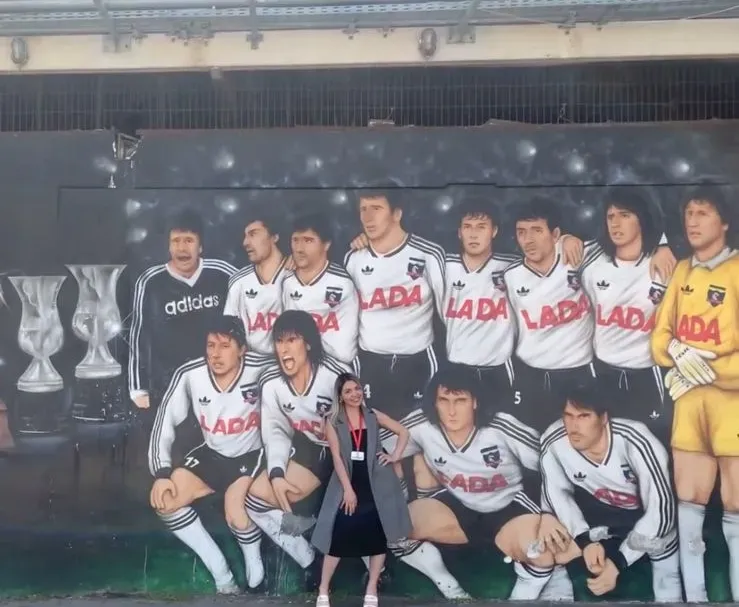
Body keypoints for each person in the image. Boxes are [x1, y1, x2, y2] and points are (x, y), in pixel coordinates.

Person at [395, 364, 564, 601]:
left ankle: (534, 586)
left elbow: (555, 464)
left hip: (508, 507)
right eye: (444, 400)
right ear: (434, 402)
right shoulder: (421, 425)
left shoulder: (501, 427)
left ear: (475, 402)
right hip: (457, 506)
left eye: (460, 400)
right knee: (392, 527)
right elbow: (376, 450)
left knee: (542, 554)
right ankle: (450, 587)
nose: (451, 410)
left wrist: (547, 514)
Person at [651, 190, 739, 601]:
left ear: (724, 223)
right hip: (688, 408)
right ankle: (696, 599)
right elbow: (658, 339)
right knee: (689, 506)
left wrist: (704, 371)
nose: (693, 220)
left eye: (703, 213)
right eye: (688, 212)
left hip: (731, 409)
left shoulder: (737, 269)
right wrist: (677, 353)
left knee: (735, 510)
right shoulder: (682, 270)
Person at [148, 315, 273, 593]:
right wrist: (161, 473)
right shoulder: (190, 374)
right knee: (165, 501)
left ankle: (255, 571)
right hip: (212, 452)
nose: (215, 354)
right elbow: (164, 422)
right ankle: (223, 577)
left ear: (242, 349)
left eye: (225, 346)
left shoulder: (263, 369)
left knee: (235, 513)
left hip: (251, 455)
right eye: (211, 346)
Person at [539, 382, 680, 601]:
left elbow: (661, 513)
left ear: (603, 418)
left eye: (584, 416)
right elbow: (558, 495)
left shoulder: (635, 439)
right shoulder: (554, 441)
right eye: (568, 416)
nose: (573, 426)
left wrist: (618, 561)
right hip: (602, 517)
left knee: (663, 560)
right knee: (547, 543)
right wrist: (585, 540)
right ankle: (560, 587)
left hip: (646, 518)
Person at [311, 372, 412, 607]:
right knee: (336, 538)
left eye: (357, 389)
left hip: (377, 484)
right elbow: (336, 457)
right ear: (340, 396)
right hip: (348, 484)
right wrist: (348, 490)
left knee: (378, 538)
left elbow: (403, 432)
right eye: (348, 391)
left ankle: (371, 590)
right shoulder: (333, 421)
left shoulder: (373, 415)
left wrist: (394, 455)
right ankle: (323, 591)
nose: (355, 394)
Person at [579, 192, 672, 439]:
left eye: (624, 215)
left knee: (652, 444)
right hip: (602, 371)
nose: (615, 223)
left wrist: (663, 243)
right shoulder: (593, 262)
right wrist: (567, 238)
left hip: (646, 376)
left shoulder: (665, 264)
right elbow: (556, 245)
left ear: (641, 219)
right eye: (610, 217)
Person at [129, 208, 236, 417]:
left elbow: (253, 302)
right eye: (176, 241)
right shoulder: (151, 281)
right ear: (168, 246)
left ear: (200, 246)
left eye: (189, 240)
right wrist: (138, 388)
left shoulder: (222, 273)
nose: (182, 248)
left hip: (220, 381)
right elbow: (139, 335)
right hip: (170, 385)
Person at [282, 213, 359, 365]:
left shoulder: (343, 282)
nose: (299, 248)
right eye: (295, 240)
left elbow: (346, 350)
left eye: (308, 240)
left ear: (326, 245)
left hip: (339, 367)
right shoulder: (287, 281)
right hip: (302, 368)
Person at [224, 209, 288, 355]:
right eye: (245, 236)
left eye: (253, 234)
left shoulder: (298, 275)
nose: (245, 242)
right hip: (253, 366)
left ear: (274, 237)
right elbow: (229, 334)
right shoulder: (239, 282)